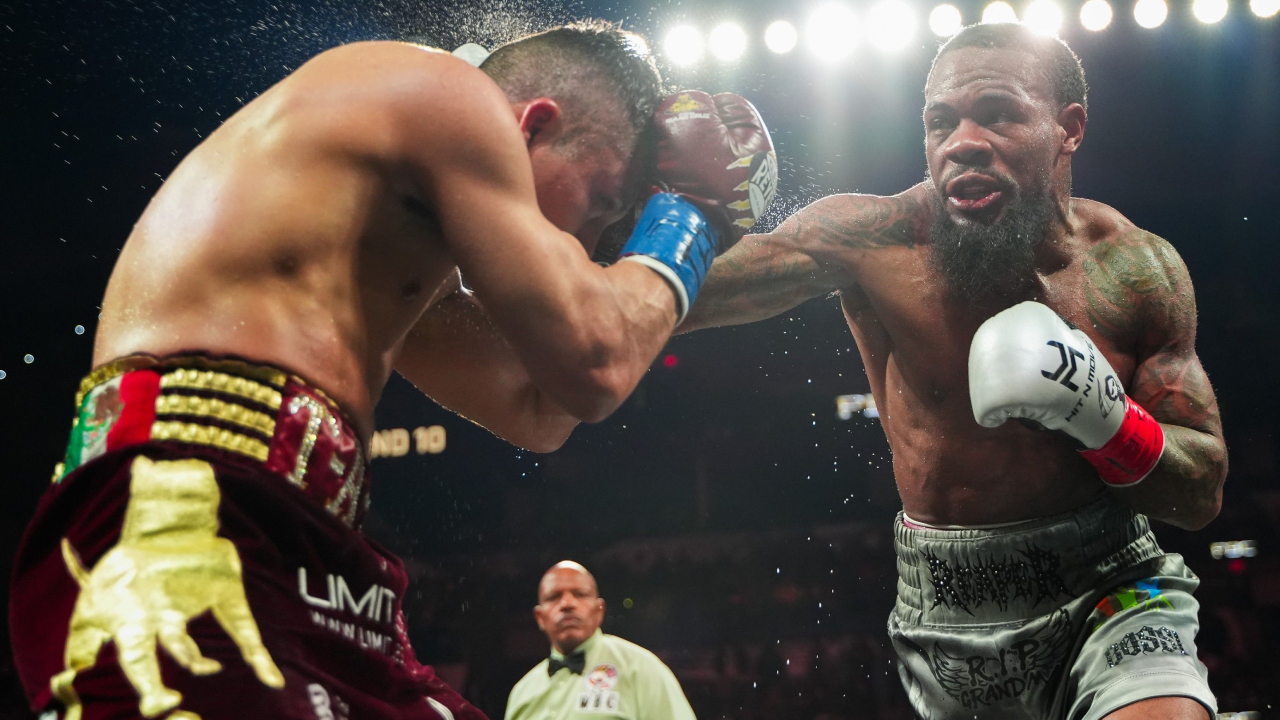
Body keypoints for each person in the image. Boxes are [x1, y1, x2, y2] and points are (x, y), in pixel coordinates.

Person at [9, 21, 775, 720]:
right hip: (185, 509)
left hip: (309, 545)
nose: (592, 239)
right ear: (532, 124)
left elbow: (539, 405)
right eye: (605, 202)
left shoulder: (378, 230)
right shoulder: (445, 94)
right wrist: (688, 217)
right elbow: (595, 358)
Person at [680, 23, 1225, 720]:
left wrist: (1107, 419)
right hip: (947, 612)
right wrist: (644, 221)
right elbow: (669, 300)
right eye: (941, 122)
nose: (962, 142)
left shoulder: (1135, 270)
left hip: (1112, 585)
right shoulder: (874, 240)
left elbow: (1201, 492)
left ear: (1069, 127)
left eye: (997, 114)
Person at [505, 562, 696, 720]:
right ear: (540, 617)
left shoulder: (641, 669)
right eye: (554, 597)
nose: (567, 604)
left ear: (599, 611)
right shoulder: (523, 691)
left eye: (580, 594)